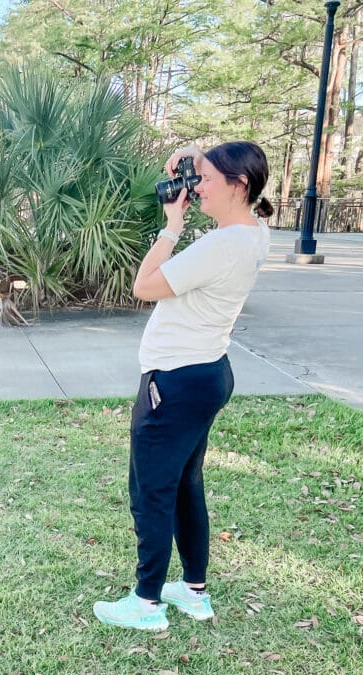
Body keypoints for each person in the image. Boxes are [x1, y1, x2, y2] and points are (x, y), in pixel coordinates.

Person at [93, 141, 273, 631]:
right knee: (186, 485)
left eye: (207, 180)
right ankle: (194, 591)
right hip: (208, 373)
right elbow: (228, 170)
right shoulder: (258, 233)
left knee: (151, 489)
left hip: (173, 381)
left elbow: (144, 286)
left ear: (239, 186)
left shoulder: (219, 246)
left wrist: (172, 226)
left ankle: (145, 602)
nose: (197, 188)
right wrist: (193, 154)